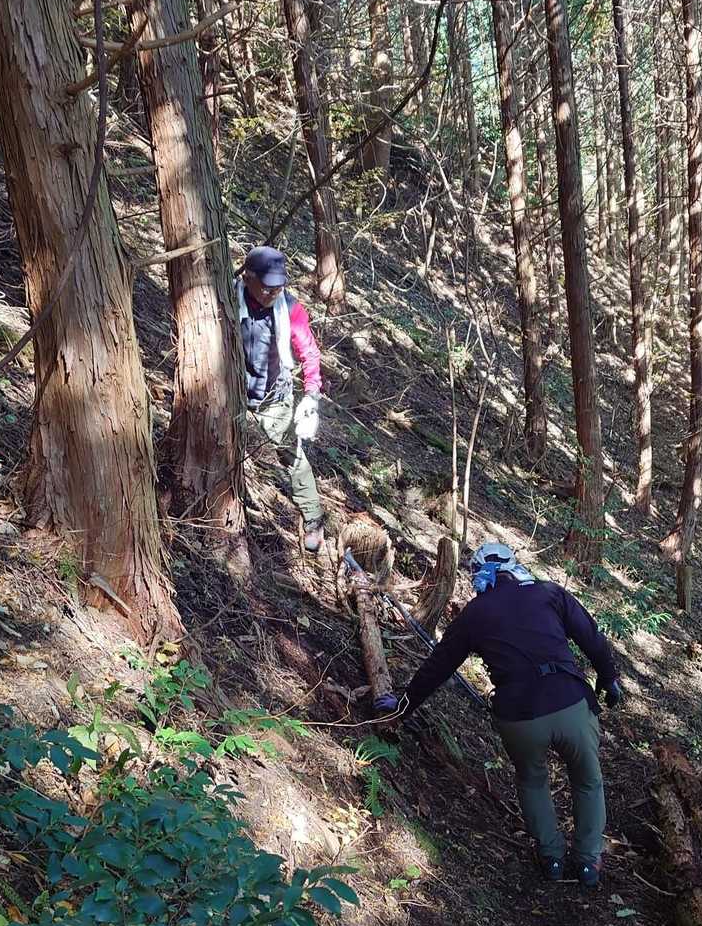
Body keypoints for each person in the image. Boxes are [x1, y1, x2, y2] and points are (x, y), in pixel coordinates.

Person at [383, 543, 622, 888]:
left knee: (532, 780)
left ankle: (552, 857)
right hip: (570, 702)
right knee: (587, 780)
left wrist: (403, 707)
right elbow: (592, 637)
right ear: (515, 566)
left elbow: (439, 666)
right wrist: (609, 677)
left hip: (520, 716)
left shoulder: (475, 614)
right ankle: (588, 862)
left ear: (478, 575)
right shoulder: (549, 593)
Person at [238, 245, 326, 552]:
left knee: (292, 455)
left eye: (278, 286)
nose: (273, 292)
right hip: (232, 391)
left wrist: (311, 396)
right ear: (247, 278)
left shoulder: (289, 308)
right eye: (267, 287)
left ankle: (313, 519)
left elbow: (308, 351)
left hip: (274, 397)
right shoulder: (227, 298)